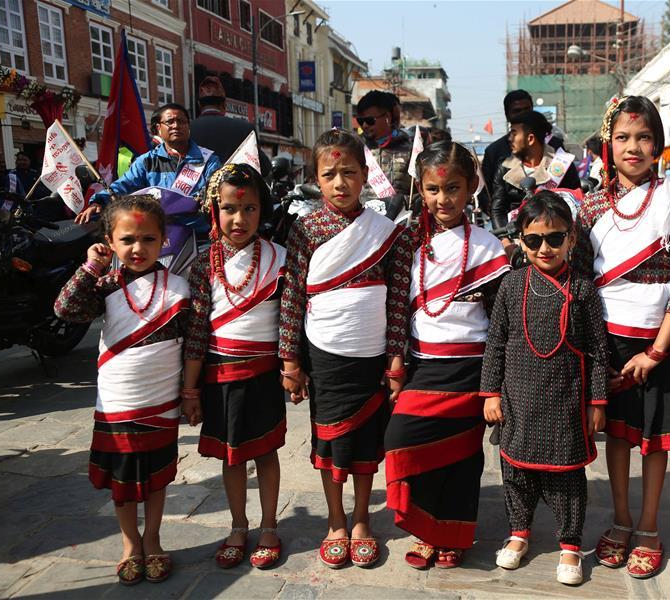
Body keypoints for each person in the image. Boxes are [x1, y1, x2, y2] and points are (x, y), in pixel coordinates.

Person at [575, 96, 670, 580]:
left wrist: (658, 349)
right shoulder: (589, 205)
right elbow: (583, 282)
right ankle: (621, 519)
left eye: (644, 137)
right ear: (609, 144)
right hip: (609, 341)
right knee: (620, 437)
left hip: (659, 340)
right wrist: (596, 348)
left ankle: (649, 526)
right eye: (623, 137)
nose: (633, 146)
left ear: (659, 146)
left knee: (654, 439)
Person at [279, 129, 411, 569]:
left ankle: (360, 521)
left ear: (365, 175)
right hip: (325, 353)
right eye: (330, 174)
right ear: (316, 177)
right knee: (329, 438)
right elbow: (293, 296)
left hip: (371, 352)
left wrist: (395, 357)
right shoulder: (306, 228)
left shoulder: (384, 231)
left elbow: (396, 299)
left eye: (349, 172)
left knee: (365, 439)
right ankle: (335, 521)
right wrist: (291, 360)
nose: (341, 183)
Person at [384, 141, 510, 569]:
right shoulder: (407, 242)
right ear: (420, 189)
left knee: (461, 457)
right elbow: (397, 307)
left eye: (453, 188)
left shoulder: (489, 247)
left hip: (471, 370)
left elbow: (499, 323)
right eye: (434, 190)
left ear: (472, 187)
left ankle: (451, 535)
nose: (444, 199)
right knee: (402, 441)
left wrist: (495, 384)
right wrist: (396, 363)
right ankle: (424, 529)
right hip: (422, 367)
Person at [53, 195, 189, 585]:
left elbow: (191, 344)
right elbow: (65, 309)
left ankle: (154, 538)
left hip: (161, 401)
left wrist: (191, 394)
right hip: (117, 400)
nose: (137, 248)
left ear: (163, 240)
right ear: (110, 241)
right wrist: (91, 266)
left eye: (148, 238)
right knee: (124, 480)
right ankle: (130, 543)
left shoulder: (178, 287)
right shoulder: (105, 284)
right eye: (127, 239)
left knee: (158, 475)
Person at [482, 191, 608, 586]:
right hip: (518, 398)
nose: (545, 248)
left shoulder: (583, 290)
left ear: (571, 238)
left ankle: (570, 544)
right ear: (520, 241)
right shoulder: (511, 285)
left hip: (566, 399)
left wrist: (597, 401)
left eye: (555, 238)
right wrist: (490, 393)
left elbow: (599, 350)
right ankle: (519, 533)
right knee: (516, 471)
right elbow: (496, 342)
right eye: (534, 240)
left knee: (567, 477)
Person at [181, 164, 287, 570]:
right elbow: (195, 333)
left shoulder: (280, 259)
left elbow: (289, 322)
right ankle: (239, 526)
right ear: (214, 210)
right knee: (232, 457)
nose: (239, 219)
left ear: (262, 211)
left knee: (266, 451)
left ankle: (270, 525)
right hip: (219, 375)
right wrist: (190, 390)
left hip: (262, 374)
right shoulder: (203, 263)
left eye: (249, 209)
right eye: (229, 209)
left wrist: (292, 368)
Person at [77, 104, 222, 223]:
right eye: (170, 122)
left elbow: (216, 192)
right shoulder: (146, 161)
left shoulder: (208, 160)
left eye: (181, 121)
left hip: (198, 235)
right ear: (158, 128)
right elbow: (123, 185)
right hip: (158, 233)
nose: (176, 126)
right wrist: (98, 202)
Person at [490, 110, 581, 231]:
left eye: (514, 133)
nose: (509, 139)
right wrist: (505, 240)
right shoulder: (504, 167)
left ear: (530, 139)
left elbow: (576, 205)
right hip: (515, 239)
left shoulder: (563, 164)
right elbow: (497, 210)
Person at [190, 76, 270, 174]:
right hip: (236, 187)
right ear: (224, 104)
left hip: (198, 188)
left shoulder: (187, 129)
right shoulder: (245, 128)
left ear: (199, 105)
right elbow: (264, 168)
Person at [356, 90, 413, 213]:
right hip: (362, 222)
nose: (364, 125)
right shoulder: (355, 150)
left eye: (370, 120)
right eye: (361, 121)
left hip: (399, 224)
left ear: (387, 117)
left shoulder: (412, 150)